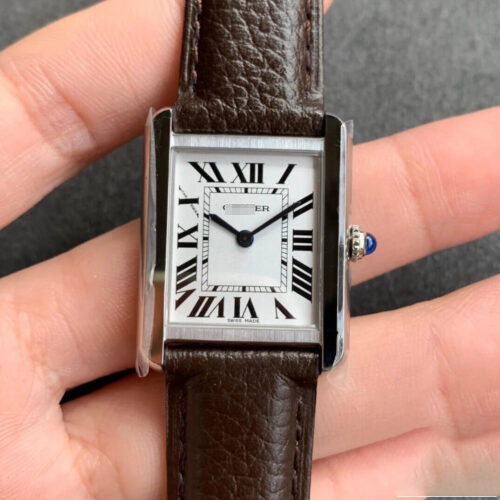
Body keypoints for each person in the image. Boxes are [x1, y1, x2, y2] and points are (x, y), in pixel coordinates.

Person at [0, 1, 499, 498]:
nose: (244, 238)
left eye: (247, 236)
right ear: (353, 243)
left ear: (348, 244)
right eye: (242, 235)